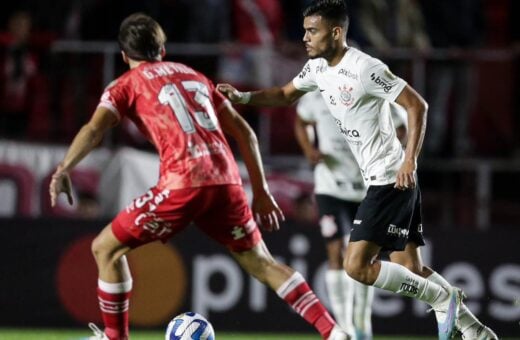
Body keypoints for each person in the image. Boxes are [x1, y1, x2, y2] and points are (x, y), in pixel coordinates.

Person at [49, 13, 350, 340]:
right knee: (263, 263)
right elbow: (246, 133)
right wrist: (261, 192)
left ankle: (114, 337)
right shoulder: (195, 76)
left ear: (124, 56)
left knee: (104, 248)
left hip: (182, 182)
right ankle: (332, 332)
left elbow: (94, 130)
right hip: (226, 182)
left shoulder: (125, 84)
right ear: (162, 50)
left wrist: (65, 167)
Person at [217, 1, 498, 339]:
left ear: (336, 32)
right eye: (305, 30)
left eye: (312, 31)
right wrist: (243, 98)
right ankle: (476, 331)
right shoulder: (318, 69)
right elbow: (284, 95)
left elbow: (416, 105)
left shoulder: (365, 68)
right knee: (410, 268)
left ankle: (442, 297)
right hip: (387, 180)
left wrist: (410, 159)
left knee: (356, 266)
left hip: (390, 178)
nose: (304, 37)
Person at [294, 90, 408, 339]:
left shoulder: (372, 96)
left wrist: (392, 154)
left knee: (365, 257)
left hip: (368, 190)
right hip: (330, 188)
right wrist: (308, 149)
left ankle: (361, 320)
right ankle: (343, 328)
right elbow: (301, 121)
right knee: (337, 252)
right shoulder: (316, 97)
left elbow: (404, 124)